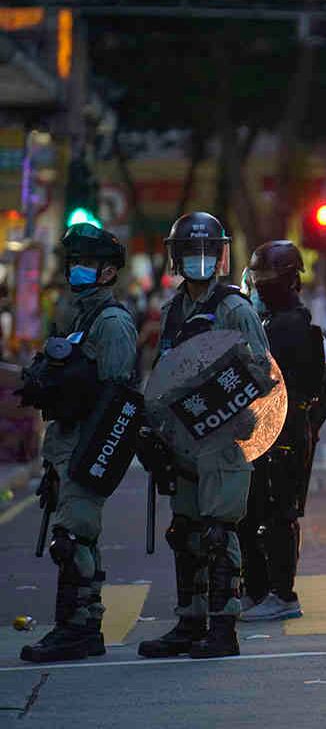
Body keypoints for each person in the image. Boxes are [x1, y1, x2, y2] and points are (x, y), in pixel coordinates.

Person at [137, 212, 272, 659]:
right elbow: (163, 373)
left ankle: (223, 628)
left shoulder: (235, 309)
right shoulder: (175, 309)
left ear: (219, 258)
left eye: (206, 253)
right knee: (186, 531)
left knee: (218, 531)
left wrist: (226, 408)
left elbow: (262, 373)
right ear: (176, 259)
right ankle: (189, 621)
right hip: (183, 441)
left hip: (221, 441)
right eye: (189, 253)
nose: (198, 261)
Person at [19, 225, 138, 663]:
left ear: (108, 273)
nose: (76, 271)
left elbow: (117, 395)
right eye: (72, 263)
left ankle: (77, 631)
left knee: (73, 539)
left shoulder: (112, 323)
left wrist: (92, 459)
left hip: (85, 448)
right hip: (65, 447)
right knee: (74, 539)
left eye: (85, 264)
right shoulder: (79, 318)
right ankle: (81, 627)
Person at [237, 241, 326, 621]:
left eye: (268, 279)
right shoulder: (268, 321)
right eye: (257, 279)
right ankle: (257, 590)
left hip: (286, 434)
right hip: (263, 430)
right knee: (251, 511)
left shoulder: (294, 325)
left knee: (279, 514)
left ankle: (281, 593)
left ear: (290, 280)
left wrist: (306, 424)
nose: (261, 286)